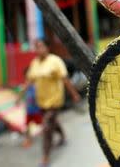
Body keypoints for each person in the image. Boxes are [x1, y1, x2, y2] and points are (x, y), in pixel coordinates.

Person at [19, 39, 81, 167]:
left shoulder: (55, 61)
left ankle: (45, 157)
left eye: (41, 46)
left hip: (55, 100)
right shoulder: (35, 63)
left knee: (47, 127)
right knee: (53, 121)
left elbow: (65, 79)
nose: (38, 49)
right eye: (36, 47)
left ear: (47, 47)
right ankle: (63, 136)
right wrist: (20, 95)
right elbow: (29, 81)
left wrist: (74, 94)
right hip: (41, 102)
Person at [22, 72, 43, 148]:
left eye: (28, 80)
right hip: (29, 111)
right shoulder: (26, 88)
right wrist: (18, 100)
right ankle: (28, 139)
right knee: (27, 126)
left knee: (41, 124)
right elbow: (22, 93)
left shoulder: (35, 88)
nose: (26, 82)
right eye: (26, 80)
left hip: (36, 111)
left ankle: (46, 133)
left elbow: (39, 97)